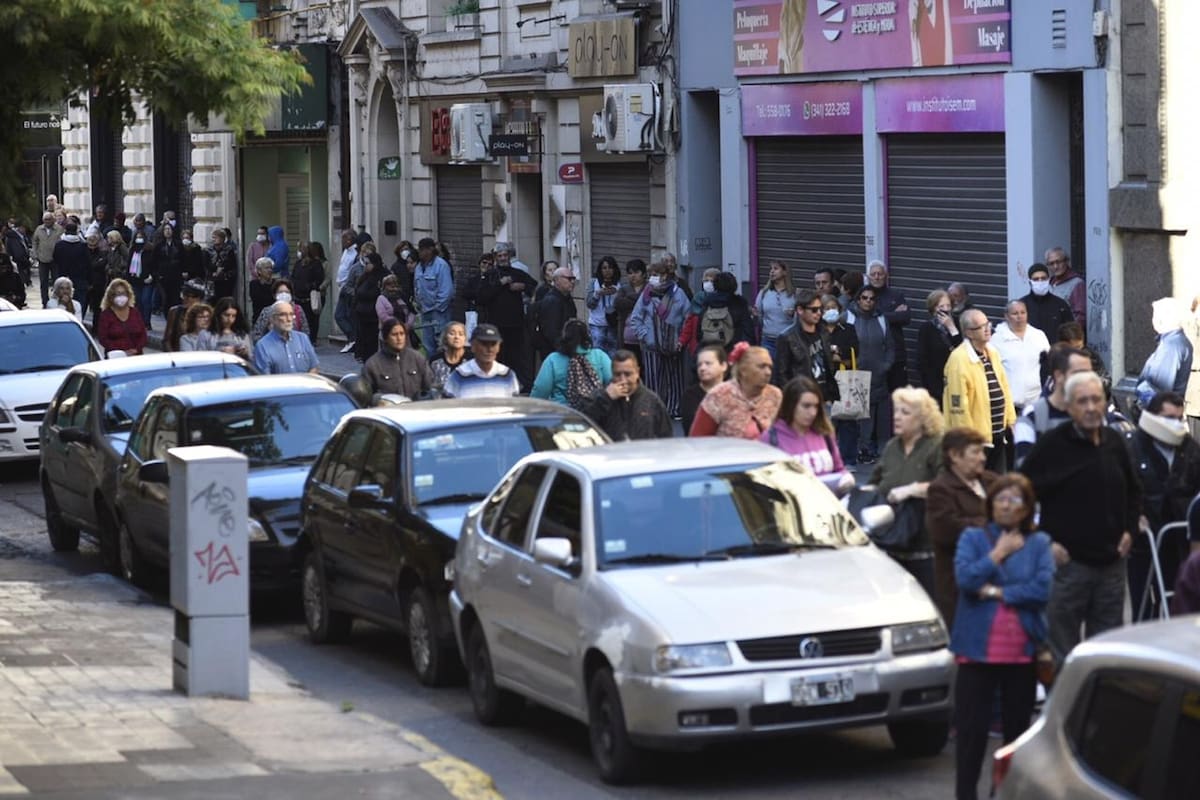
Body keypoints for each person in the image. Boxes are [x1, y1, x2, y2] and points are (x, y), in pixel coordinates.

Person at [1020, 372, 1139, 666]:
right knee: (1062, 655)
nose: (1090, 407)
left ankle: (1100, 712)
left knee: (1106, 653)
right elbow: (1018, 495)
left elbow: (1134, 489)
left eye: (1096, 399)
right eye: (1082, 401)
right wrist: (1041, 540)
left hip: (1111, 566)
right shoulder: (1052, 445)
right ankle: (1063, 711)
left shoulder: (1115, 441)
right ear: (1070, 407)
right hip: (1068, 568)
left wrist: (1130, 529)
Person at [950, 473, 1053, 800]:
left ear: (1027, 509)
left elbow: (1041, 590)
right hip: (976, 655)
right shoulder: (973, 538)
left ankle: (1006, 794)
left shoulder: (1039, 543)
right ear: (991, 504)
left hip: (1020, 654)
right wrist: (998, 553)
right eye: (1001, 499)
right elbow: (965, 579)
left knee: (1015, 736)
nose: (1007, 506)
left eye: (1015, 500)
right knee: (971, 736)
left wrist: (995, 591)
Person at [1123, 391, 1200, 619]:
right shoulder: (1131, 448)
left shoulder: (1190, 449)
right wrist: (1133, 517)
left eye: (1179, 418)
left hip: (1179, 537)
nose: (1175, 424)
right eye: (1169, 418)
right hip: (1143, 540)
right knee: (1143, 605)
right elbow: (1122, 488)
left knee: (1178, 601)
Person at [869, 386, 944, 598]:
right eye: (896, 411)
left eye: (905, 412)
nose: (897, 417)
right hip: (891, 545)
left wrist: (914, 490)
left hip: (925, 546)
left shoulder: (935, 446)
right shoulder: (891, 447)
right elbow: (875, 483)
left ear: (922, 418)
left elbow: (947, 484)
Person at [926, 427, 999, 626]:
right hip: (958, 586)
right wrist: (994, 525)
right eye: (975, 452)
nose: (982, 458)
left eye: (982, 452)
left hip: (997, 580)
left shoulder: (992, 482)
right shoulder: (941, 489)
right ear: (955, 456)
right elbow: (947, 530)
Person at [943, 309, 1016, 473]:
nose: (987, 328)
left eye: (987, 324)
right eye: (981, 326)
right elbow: (958, 406)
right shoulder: (959, 360)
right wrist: (968, 440)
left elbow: (1004, 387)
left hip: (997, 434)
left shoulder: (992, 352)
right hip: (977, 440)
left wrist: (1011, 420)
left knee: (994, 483)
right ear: (969, 332)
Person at [761, 376, 854, 494]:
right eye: (806, 406)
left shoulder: (824, 433)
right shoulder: (771, 438)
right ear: (791, 405)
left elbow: (839, 468)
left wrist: (845, 479)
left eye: (816, 406)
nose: (812, 413)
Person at [1013, 345, 1093, 467]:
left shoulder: (1093, 413)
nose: (1086, 381)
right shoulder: (1032, 416)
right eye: (1078, 374)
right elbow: (1024, 468)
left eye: (1089, 375)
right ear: (1059, 376)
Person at [631, 260, 689, 417]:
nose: (652, 278)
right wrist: (644, 335)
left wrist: (681, 340)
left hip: (672, 343)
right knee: (653, 379)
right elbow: (636, 317)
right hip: (651, 345)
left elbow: (687, 318)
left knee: (674, 378)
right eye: (651, 275)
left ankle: (674, 408)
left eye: (656, 275)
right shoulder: (646, 294)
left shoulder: (678, 294)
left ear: (665, 275)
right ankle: (655, 409)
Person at [690, 343, 781, 438]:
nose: (768, 372)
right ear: (743, 370)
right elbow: (698, 439)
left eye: (770, 367)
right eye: (761, 367)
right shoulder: (719, 395)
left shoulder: (775, 395)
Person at [475, 242, 534, 389]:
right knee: (498, 355)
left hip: (516, 324)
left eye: (505, 255)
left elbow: (535, 286)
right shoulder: (490, 275)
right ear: (495, 258)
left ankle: (521, 384)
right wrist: (500, 284)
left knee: (518, 356)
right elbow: (481, 297)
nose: (503, 258)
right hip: (496, 324)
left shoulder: (518, 274)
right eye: (500, 256)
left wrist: (524, 287)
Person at [579, 350, 674, 441]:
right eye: (617, 374)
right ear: (612, 373)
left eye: (628, 374)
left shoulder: (652, 401)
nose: (623, 379)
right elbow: (583, 426)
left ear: (637, 372)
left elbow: (666, 439)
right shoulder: (598, 398)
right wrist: (605, 398)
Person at [847, 285, 895, 463]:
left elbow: (890, 345)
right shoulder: (849, 318)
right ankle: (860, 449)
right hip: (855, 374)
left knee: (878, 414)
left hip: (878, 374)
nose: (868, 301)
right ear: (858, 299)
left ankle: (877, 449)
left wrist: (886, 365)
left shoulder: (882, 319)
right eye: (864, 297)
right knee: (858, 415)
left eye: (871, 298)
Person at [775, 288, 838, 402]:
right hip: (801, 398)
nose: (819, 313)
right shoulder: (787, 337)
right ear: (800, 310)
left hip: (824, 396)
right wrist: (792, 400)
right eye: (814, 310)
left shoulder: (823, 332)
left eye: (820, 309)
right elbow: (781, 374)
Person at [531, 319, 612, 407]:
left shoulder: (553, 359)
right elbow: (612, 381)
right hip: (593, 414)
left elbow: (541, 390)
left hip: (563, 413)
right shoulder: (599, 356)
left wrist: (531, 410)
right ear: (587, 336)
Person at [820, 293, 861, 465]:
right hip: (823, 380)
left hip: (845, 377)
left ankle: (849, 459)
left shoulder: (848, 329)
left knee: (848, 421)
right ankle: (827, 459)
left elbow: (855, 351)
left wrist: (839, 357)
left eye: (834, 308)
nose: (831, 311)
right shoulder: (816, 331)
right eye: (827, 308)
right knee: (825, 421)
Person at [991, 300, 1050, 415]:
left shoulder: (1038, 335)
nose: (1020, 317)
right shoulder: (997, 340)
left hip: (1035, 403)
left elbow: (1050, 362)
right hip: (1009, 406)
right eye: (1015, 313)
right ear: (1006, 316)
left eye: (1023, 312)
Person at [1136, 297, 1193, 407]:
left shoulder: (1171, 346)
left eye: (1154, 315)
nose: (1153, 320)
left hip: (1159, 414)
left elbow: (1158, 387)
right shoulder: (1175, 342)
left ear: (1161, 319)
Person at [362, 318, 434, 402]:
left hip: (416, 410)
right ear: (386, 338)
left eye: (402, 334)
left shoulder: (417, 358)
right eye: (394, 334)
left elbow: (430, 387)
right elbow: (367, 397)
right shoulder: (373, 365)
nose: (399, 338)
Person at [866, 260, 911, 391]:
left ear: (886, 275)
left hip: (896, 355)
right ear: (868, 276)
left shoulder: (896, 295)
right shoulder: (864, 296)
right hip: (873, 356)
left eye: (880, 273)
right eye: (873, 274)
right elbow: (866, 318)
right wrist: (893, 314)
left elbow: (906, 318)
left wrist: (878, 316)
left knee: (899, 395)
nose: (876, 277)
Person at [442, 323, 521, 399]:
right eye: (484, 344)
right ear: (473, 346)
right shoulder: (459, 376)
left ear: (499, 347)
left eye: (493, 344)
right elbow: (446, 409)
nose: (489, 349)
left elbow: (515, 409)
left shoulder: (507, 375)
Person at [683, 271, 754, 354]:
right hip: (733, 351)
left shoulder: (707, 302)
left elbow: (699, 331)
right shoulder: (739, 303)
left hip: (711, 350)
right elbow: (748, 331)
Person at [916, 289, 961, 407]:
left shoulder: (958, 323)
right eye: (941, 306)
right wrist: (930, 386)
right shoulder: (926, 328)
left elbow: (963, 350)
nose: (946, 309)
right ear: (934, 308)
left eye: (948, 305)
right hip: (936, 384)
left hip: (956, 381)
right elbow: (922, 360)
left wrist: (952, 328)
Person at [252, 300, 319, 375]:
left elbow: (314, 367)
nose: (289, 319)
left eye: (291, 314)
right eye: (283, 315)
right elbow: (265, 379)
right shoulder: (262, 346)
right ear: (272, 319)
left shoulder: (303, 339)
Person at [413, 236, 453, 346]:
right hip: (425, 312)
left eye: (421, 250)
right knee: (428, 345)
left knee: (442, 343)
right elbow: (417, 287)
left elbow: (447, 291)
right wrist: (419, 304)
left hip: (439, 312)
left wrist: (437, 307)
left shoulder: (441, 265)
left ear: (429, 250)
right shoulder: (419, 267)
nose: (419, 253)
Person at [535, 266, 580, 362]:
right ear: (557, 280)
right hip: (555, 353)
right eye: (569, 279)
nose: (572, 282)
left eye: (573, 279)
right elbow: (551, 332)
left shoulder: (567, 298)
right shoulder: (552, 301)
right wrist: (564, 350)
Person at [680, 344, 727, 435]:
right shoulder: (690, 396)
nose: (702, 368)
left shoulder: (734, 393)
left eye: (708, 363)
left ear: (723, 366)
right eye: (699, 365)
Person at [1019, 263, 1074, 339]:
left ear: (1048, 280)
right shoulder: (1021, 306)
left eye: (1043, 278)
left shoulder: (1061, 305)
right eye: (1036, 279)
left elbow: (1070, 332)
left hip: (1055, 350)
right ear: (1030, 282)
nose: (1040, 281)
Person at [755, 260, 797, 360]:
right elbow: (759, 318)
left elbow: (800, 318)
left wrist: (793, 315)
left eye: (776, 269)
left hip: (788, 340)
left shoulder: (794, 294)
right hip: (768, 340)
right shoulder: (764, 293)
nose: (772, 272)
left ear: (785, 272)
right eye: (771, 269)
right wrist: (755, 315)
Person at [96, 279, 147, 355]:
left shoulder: (135, 312)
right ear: (111, 296)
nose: (121, 297)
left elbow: (143, 335)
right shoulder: (106, 315)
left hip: (136, 356)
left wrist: (136, 349)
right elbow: (103, 338)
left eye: (123, 293)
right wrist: (121, 352)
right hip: (115, 357)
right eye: (117, 294)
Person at [585, 256, 622, 354]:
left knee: (612, 356)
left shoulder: (620, 284)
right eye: (604, 268)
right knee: (597, 355)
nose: (607, 271)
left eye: (610, 268)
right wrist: (597, 294)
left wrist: (617, 293)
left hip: (613, 325)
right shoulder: (593, 283)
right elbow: (589, 304)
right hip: (597, 325)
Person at [52, 222, 91, 315]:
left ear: (65, 231)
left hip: (63, 278)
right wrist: (90, 281)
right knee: (80, 304)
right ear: (76, 232)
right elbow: (88, 264)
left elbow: (55, 260)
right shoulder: (82, 246)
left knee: (62, 302)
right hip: (80, 279)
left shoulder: (59, 245)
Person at [292, 241, 326, 342]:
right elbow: (293, 276)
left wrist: (309, 286)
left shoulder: (315, 263)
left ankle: (312, 340)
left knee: (312, 321)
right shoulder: (298, 263)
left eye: (301, 249)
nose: (300, 251)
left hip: (310, 298)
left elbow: (319, 279)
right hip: (298, 297)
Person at [1045, 246, 1086, 330]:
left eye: (1058, 262)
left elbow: (1080, 317)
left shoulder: (1076, 283)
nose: (1055, 266)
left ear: (1066, 261)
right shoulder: (1048, 284)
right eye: (1051, 263)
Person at [151, 221, 183, 316]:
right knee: (165, 298)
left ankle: (175, 317)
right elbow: (154, 261)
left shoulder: (178, 244)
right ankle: (167, 316)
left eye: (169, 229)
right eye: (166, 229)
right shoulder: (159, 245)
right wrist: (156, 274)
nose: (168, 231)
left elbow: (183, 258)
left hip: (176, 275)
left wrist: (183, 271)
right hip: (163, 276)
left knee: (175, 298)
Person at [334, 229, 359, 352]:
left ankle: (353, 338)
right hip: (342, 286)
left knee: (341, 315)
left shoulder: (355, 253)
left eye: (344, 238)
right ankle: (352, 339)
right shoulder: (345, 251)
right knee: (343, 315)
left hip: (347, 287)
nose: (342, 241)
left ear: (349, 239)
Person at [429, 321, 469, 395]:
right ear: (445, 337)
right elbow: (428, 386)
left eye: (461, 334)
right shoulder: (435, 361)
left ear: (465, 338)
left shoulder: (471, 361)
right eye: (452, 334)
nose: (456, 337)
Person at [31, 212, 61, 308]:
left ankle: (56, 301)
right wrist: (35, 254)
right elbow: (34, 241)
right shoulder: (39, 229)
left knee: (57, 282)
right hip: (42, 259)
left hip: (55, 259)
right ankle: (45, 302)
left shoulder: (59, 229)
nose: (47, 221)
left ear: (53, 220)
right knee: (43, 282)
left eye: (49, 219)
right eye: (45, 220)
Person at [207, 227, 238, 301]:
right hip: (212, 279)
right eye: (213, 237)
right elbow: (206, 263)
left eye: (216, 237)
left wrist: (222, 269)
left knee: (225, 299)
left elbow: (231, 263)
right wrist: (215, 269)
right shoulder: (208, 249)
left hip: (226, 279)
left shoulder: (229, 249)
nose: (213, 239)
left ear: (222, 238)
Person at [84, 233, 108, 322]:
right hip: (86, 282)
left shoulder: (102, 254)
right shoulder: (84, 253)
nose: (92, 247)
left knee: (98, 308)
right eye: (90, 245)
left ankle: (96, 329)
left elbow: (102, 264)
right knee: (83, 306)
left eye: (94, 245)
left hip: (98, 284)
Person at [248, 257, 277, 321]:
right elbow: (259, 300)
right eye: (267, 268)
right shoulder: (253, 284)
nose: (270, 270)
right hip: (259, 319)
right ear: (259, 271)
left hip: (275, 319)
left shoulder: (277, 284)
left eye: (271, 268)